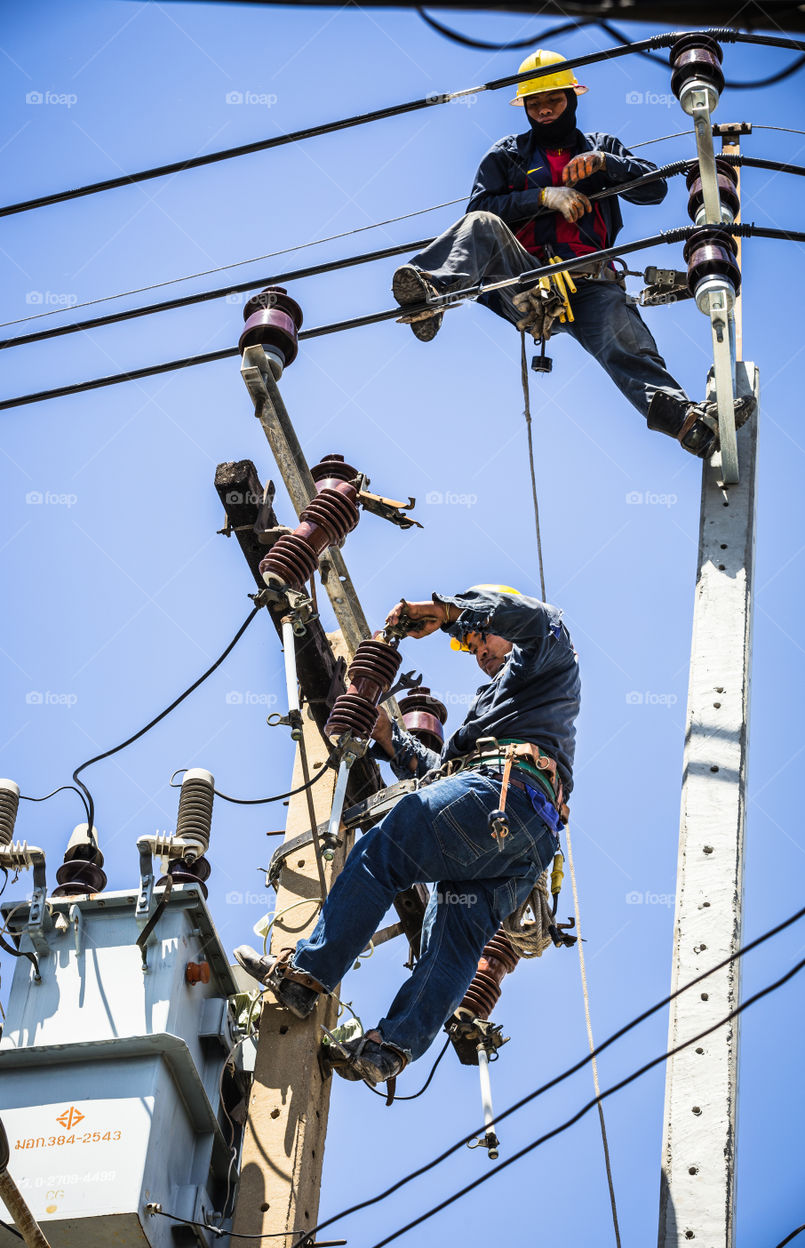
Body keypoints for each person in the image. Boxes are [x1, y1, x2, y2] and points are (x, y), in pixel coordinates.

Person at [234, 585, 580, 1087]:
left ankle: (306, 975)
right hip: (519, 841)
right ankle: (390, 1048)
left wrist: (445, 612)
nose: (480, 651)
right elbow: (446, 775)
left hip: (504, 796)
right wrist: (388, 737)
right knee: (453, 938)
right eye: (473, 647)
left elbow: (538, 620)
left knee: (385, 851)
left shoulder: (548, 656)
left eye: (484, 639)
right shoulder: (503, 704)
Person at [391, 49, 753, 460]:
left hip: (590, 283)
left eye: (553, 101)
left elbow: (654, 189)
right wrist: (544, 196)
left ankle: (688, 425)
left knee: (627, 342)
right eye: (535, 103)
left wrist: (606, 164)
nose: (544, 111)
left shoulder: (601, 147)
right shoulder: (508, 156)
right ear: (524, 106)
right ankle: (431, 292)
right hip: (525, 279)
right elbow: (479, 211)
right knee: (481, 227)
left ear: (572, 99)